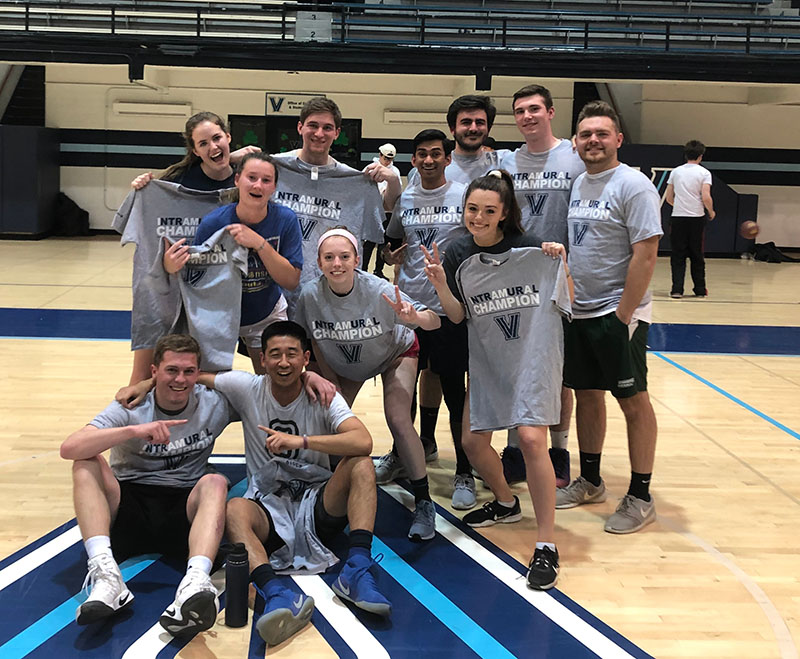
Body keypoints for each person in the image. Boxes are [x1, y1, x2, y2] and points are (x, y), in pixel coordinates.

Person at [196, 321, 391, 646]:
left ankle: (355, 568)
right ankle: (276, 594)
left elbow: (363, 440)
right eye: (275, 355)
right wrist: (145, 383)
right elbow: (194, 376)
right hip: (269, 506)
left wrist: (300, 442)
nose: (283, 362)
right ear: (262, 359)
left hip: (317, 503)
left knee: (360, 465)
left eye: (291, 354)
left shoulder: (324, 394)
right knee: (234, 509)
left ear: (305, 358)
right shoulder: (246, 387)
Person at [422, 170, 572, 590]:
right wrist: (438, 283)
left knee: (529, 439)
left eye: (489, 210)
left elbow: (568, 299)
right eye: (473, 209)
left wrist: (559, 259)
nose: (479, 217)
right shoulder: (457, 253)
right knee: (472, 443)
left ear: (505, 214)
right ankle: (506, 502)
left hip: (533, 359)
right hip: (488, 359)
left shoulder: (534, 249)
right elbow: (456, 315)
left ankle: (546, 544)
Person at [60, 335, 233, 636]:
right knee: (85, 461)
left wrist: (309, 376)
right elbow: (69, 447)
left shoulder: (214, 402)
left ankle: (194, 583)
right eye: (171, 371)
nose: (180, 379)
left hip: (183, 507)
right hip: (130, 503)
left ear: (198, 373)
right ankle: (107, 576)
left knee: (216, 482)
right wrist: (133, 430)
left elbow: (265, 391)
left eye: (188, 372)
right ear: (154, 372)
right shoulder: (132, 405)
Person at [294, 228, 442, 542]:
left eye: (344, 257)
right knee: (329, 418)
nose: (337, 263)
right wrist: (326, 378)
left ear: (357, 260)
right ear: (319, 262)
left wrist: (415, 317)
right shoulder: (309, 295)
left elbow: (435, 320)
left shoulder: (377, 289)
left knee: (399, 419)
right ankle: (331, 491)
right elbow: (312, 339)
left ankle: (424, 500)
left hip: (394, 353)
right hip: (345, 364)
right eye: (329, 257)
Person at [557, 101, 662, 535]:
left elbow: (647, 251)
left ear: (618, 139)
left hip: (617, 314)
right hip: (580, 310)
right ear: (576, 142)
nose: (593, 141)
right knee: (587, 395)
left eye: (602, 134)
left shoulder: (634, 185)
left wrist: (623, 315)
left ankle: (640, 494)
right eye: (585, 135)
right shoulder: (580, 182)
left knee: (633, 401)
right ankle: (592, 480)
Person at [124, 112, 259, 384]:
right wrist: (141, 188)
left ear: (228, 137)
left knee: (211, 376)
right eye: (203, 143)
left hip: (218, 296)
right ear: (194, 150)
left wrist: (235, 158)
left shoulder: (246, 183)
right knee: (145, 374)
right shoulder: (171, 184)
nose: (213, 147)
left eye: (217, 138)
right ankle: (132, 424)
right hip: (169, 292)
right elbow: (149, 238)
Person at [496, 83, 587, 489]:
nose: (527, 117)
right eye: (520, 111)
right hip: (513, 280)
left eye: (534, 109)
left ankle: (560, 451)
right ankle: (515, 448)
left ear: (551, 112)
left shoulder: (574, 156)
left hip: (558, 280)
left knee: (557, 374)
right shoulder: (506, 162)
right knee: (517, 368)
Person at [379, 129, 475, 510]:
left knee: (454, 389)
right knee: (404, 391)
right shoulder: (407, 198)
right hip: (409, 309)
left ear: (448, 158)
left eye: (437, 153)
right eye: (422, 154)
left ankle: (464, 469)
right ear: (413, 160)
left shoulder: (463, 195)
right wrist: (390, 258)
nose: (429, 160)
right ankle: (404, 454)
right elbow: (391, 244)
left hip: (449, 308)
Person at [163, 152, 303, 373]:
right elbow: (194, 279)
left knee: (278, 379)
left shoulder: (285, 219)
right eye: (251, 177)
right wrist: (172, 268)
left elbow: (292, 280)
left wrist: (259, 243)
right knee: (208, 380)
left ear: (274, 187)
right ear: (237, 180)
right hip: (219, 313)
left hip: (266, 312)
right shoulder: (214, 222)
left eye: (266, 180)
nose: (258, 185)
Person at [271, 97, 398, 313]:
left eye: (327, 128)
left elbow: (390, 208)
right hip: (273, 295)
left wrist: (393, 181)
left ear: (337, 133)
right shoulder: (271, 169)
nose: (319, 133)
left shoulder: (356, 183)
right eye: (313, 125)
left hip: (328, 297)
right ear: (300, 127)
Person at [407, 94, 503, 188]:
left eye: (480, 122)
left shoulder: (503, 162)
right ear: (452, 128)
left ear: (488, 128)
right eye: (466, 122)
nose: (473, 128)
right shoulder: (429, 169)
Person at [665, 140, 715, 298]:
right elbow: (706, 196)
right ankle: (700, 289)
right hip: (696, 218)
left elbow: (668, 197)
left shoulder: (676, 172)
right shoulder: (704, 173)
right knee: (697, 255)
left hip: (678, 217)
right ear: (701, 156)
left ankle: (677, 289)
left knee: (678, 254)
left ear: (685, 155)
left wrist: (679, 205)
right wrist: (711, 211)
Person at [362, 143, 402, 279]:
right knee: (368, 243)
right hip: (372, 212)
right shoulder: (369, 169)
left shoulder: (394, 172)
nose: (387, 161)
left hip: (387, 213)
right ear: (380, 155)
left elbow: (397, 192)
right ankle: (362, 269)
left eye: (390, 159)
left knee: (383, 243)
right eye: (385, 158)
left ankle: (378, 271)